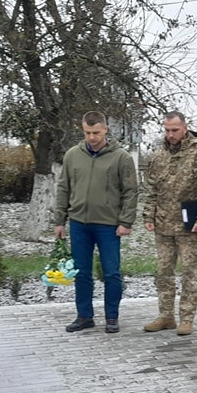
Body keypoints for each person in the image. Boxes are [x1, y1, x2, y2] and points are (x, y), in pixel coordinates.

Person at [54, 111, 138, 334]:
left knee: (111, 273)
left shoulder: (121, 157)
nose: (92, 137)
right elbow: (63, 187)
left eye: (96, 133)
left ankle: (112, 317)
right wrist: (59, 220)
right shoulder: (73, 155)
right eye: (87, 132)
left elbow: (130, 191)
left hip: (109, 225)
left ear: (106, 130)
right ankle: (84, 316)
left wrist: (126, 221)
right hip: (79, 223)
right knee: (81, 272)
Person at [142, 111, 197, 336]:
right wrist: (149, 216)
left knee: (189, 273)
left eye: (174, 130)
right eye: (167, 130)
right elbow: (152, 189)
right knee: (163, 272)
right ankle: (166, 316)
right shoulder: (158, 155)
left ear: (184, 128)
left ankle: (187, 318)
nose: (170, 134)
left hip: (189, 227)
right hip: (163, 225)